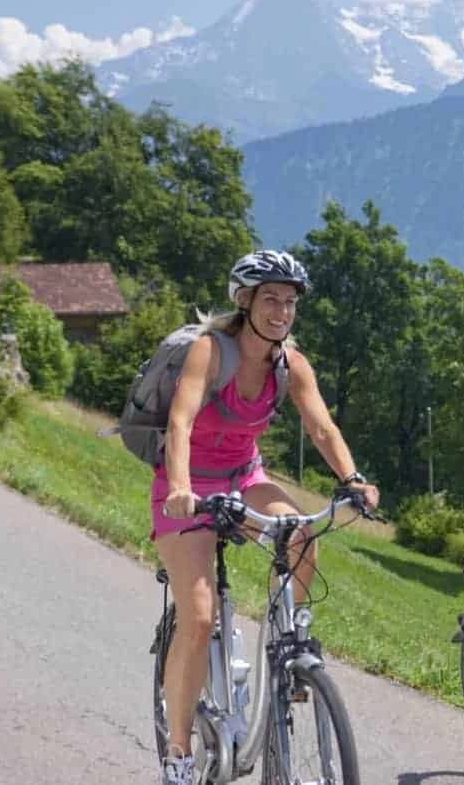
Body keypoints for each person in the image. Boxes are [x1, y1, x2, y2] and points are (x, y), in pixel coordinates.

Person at [152, 250, 379, 785]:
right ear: (246, 302)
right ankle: (180, 752)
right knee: (200, 616)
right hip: (187, 485)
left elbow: (322, 429)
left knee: (301, 533)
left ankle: (289, 640)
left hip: (244, 476)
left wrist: (352, 481)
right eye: (272, 299)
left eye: (291, 302)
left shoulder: (291, 365)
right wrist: (182, 487)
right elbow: (181, 423)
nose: (282, 311)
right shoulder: (213, 351)